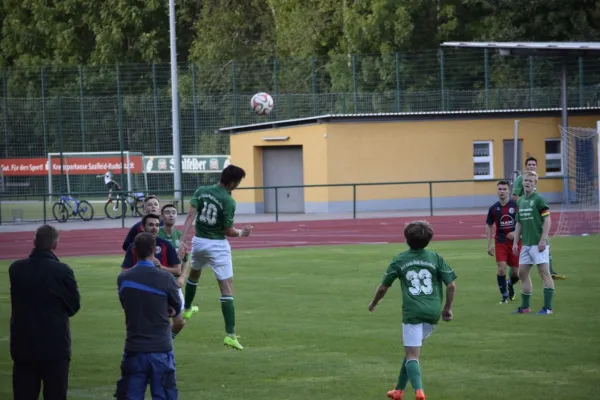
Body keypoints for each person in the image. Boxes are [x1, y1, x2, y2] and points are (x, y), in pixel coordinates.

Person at [368, 220, 457, 400]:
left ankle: (419, 391)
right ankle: (399, 391)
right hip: (432, 313)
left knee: (412, 355)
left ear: (406, 239)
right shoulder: (435, 258)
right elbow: (451, 285)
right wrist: (447, 308)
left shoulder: (400, 259)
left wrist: (374, 303)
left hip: (412, 313)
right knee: (411, 353)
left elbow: (383, 287)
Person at [178, 164, 254, 351]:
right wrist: (242, 233)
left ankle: (187, 309)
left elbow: (190, 215)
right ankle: (230, 335)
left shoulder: (202, 191)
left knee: (194, 274)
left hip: (199, 242)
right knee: (226, 288)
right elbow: (228, 231)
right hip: (217, 245)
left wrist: (182, 240)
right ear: (233, 183)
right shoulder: (229, 201)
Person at [9, 224, 81, 400]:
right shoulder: (62, 271)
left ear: (34, 242)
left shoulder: (16, 269)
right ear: (54, 245)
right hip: (55, 345)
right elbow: (74, 305)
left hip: (24, 344)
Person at [115, 232, 183, 399]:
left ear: (134, 251)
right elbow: (179, 320)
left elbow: (128, 307)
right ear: (154, 250)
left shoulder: (123, 279)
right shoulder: (166, 278)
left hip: (134, 348)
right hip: (161, 348)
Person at [512, 156, 566, 280]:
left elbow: (545, 215)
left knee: (545, 242)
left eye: (533, 165)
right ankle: (513, 276)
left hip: (534, 216)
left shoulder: (535, 184)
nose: (531, 166)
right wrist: (525, 202)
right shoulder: (521, 179)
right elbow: (514, 197)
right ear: (526, 166)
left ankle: (549, 271)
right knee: (525, 245)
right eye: (529, 164)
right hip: (524, 216)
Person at [512, 171, 555, 315]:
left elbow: (547, 220)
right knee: (522, 273)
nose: (528, 183)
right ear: (522, 182)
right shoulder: (520, 201)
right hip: (526, 244)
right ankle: (525, 307)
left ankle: (548, 308)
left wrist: (543, 239)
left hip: (538, 244)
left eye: (531, 181)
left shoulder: (539, 200)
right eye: (526, 180)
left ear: (535, 183)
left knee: (544, 273)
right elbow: (518, 223)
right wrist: (515, 243)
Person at [158, 203, 199, 318]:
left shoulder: (181, 236)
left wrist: (182, 277)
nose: (171, 215)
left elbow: (186, 259)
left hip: (174, 283)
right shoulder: (156, 235)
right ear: (161, 216)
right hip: (157, 281)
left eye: (173, 213)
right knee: (161, 315)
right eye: (167, 212)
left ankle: (168, 335)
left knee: (181, 318)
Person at [486, 180, 521, 304]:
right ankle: (504, 295)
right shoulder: (493, 208)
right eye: (500, 189)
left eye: (504, 189)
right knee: (502, 269)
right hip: (500, 242)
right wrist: (489, 245)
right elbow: (489, 225)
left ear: (508, 191)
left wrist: (516, 233)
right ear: (497, 191)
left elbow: (522, 222)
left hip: (516, 242)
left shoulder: (515, 206)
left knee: (517, 273)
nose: (502, 191)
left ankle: (510, 284)